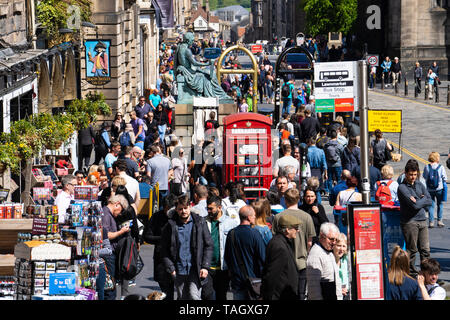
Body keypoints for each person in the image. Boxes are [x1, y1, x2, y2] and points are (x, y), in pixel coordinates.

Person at [160, 195, 213, 300]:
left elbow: (208, 245)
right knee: (182, 297)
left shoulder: (200, 222)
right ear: (176, 209)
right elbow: (164, 249)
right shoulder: (170, 225)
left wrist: (205, 266)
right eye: (180, 209)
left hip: (196, 268)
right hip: (179, 269)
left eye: (185, 208)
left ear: (190, 206)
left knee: (194, 296)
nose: (183, 211)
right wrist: (171, 268)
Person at [272, 188, 316, 300]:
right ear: (299, 200)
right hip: (301, 262)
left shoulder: (278, 217)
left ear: (285, 200)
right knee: (300, 294)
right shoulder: (307, 217)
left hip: (283, 263)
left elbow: (275, 240)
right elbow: (309, 242)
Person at [397, 160, 432, 277]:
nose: (413, 177)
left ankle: (426, 273)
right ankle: (411, 274)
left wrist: (418, 199)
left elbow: (429, 199)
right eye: (411, 174)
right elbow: (415, 205)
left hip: (422, 220)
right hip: (410, 222)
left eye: (415, 174)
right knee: (412, 251)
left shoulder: (419, 184)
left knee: (425, 250)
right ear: (405, 173)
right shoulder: (402, 188)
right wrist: (422, 199)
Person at [224, 205, 266, 300]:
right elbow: (263, 257)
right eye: (254, 215)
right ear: (248, 217)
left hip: (237, 282)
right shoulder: (255, 234)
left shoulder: (231, 234)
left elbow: (227, 257)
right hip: (254, 282)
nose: (255, 217)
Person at [203, 195, 239, 300]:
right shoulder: (203, 222)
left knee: (221, 296)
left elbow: (234, 247)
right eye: (207, 208)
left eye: (211, 208)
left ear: (219, 208)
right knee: (208, 295)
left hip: (223, 269)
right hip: (207, 268)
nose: (208, 211)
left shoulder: (231, 223)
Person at [142, 194, 178, 300]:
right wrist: (162, 239)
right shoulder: (157, 217)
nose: (169, 212)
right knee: (166, 292)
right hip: (161, 259)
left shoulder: (180, 216)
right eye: (167, 209)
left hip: (178, 258)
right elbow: (147, 236)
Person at [262, 214, 300, 300]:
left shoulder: (282, 242)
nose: (298, 231)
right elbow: (271, 275)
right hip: (281, 295)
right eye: (296, 228)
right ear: (287, 230)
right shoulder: (279, 246)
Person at [101, 194, 131, 300]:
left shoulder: (108, 214)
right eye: (121, 210)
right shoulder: (106, 214)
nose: (119, 214)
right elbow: (105, 235)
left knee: (111, 284)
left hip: (110, 253)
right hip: (108, 254)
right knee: (110, 286)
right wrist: (121, 232)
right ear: (117, 204)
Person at [306, 222, 342, 300]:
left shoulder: (329, 252)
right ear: (322, 236)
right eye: (332, 239)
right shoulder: (315, 255)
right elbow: (314, 288)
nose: (334, 242)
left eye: (336, 240)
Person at [422, 152, 447, 228]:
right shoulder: (441, 167)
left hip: (430, 189)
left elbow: (424, 176)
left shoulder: (427, 167)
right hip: (439, 189)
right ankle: (439, 221)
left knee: (431, 205)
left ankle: (431, 222)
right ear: (437, 158)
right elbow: (445, 178)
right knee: (440, 204)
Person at [146, 145, 173, 210]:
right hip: (165, 186)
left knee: (155, 207)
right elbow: (171, 170)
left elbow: (148, 174)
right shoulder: (167, 160)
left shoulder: (150, 161)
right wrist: (167, 177)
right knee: (164, 205)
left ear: (152, 152)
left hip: (154, 186)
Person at [323, 130, 344, 194]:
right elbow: (342, 153)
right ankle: (339, 192)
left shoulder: (326, 145)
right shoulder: (339, 144)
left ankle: (330, 192)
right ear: (336, 136)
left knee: (329, 179)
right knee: (339, 179)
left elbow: (325, 153)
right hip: (337, 164)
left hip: (329, 164)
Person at [333, 233, 350, 300]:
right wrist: (339, 289)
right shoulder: (330, 259)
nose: (341, 249)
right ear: (334, 246)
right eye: (339, 245)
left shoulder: (346, 259)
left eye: (344, 246)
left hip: (346, 294)